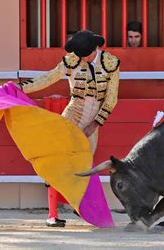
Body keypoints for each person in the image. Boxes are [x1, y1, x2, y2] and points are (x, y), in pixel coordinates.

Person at [16, 30, 120, 227]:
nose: (82, 59)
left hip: (94, 119)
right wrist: (20, 88)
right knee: (58, 162)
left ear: (95, 49)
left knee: (86, 166)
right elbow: (47, 78)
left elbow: (111, 98)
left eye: (86, 55)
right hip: (72, 116)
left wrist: (95, 124)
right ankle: (53, 214)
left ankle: (80, 207)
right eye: (80, 55)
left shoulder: (110, 63)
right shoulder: (71, 60)